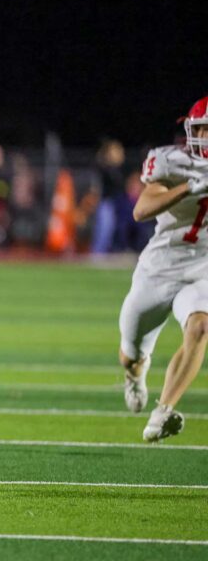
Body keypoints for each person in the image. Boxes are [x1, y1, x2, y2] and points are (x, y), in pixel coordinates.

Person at [118, 95, 208, 442]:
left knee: (201, 327)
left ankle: (162, 413)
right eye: (202, 129)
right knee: (130, 354)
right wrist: (189, 188)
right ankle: (135, 374)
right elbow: (142, 210)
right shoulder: (170, 162)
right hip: (160, 267)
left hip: (202, 267)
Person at [90, 139, 127, 254]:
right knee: (105, 229)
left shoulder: (118, 169)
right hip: (105, 202)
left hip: (115, 203)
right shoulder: (105, 167)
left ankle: (103, 251)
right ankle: (98, 253)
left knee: (109, 229)